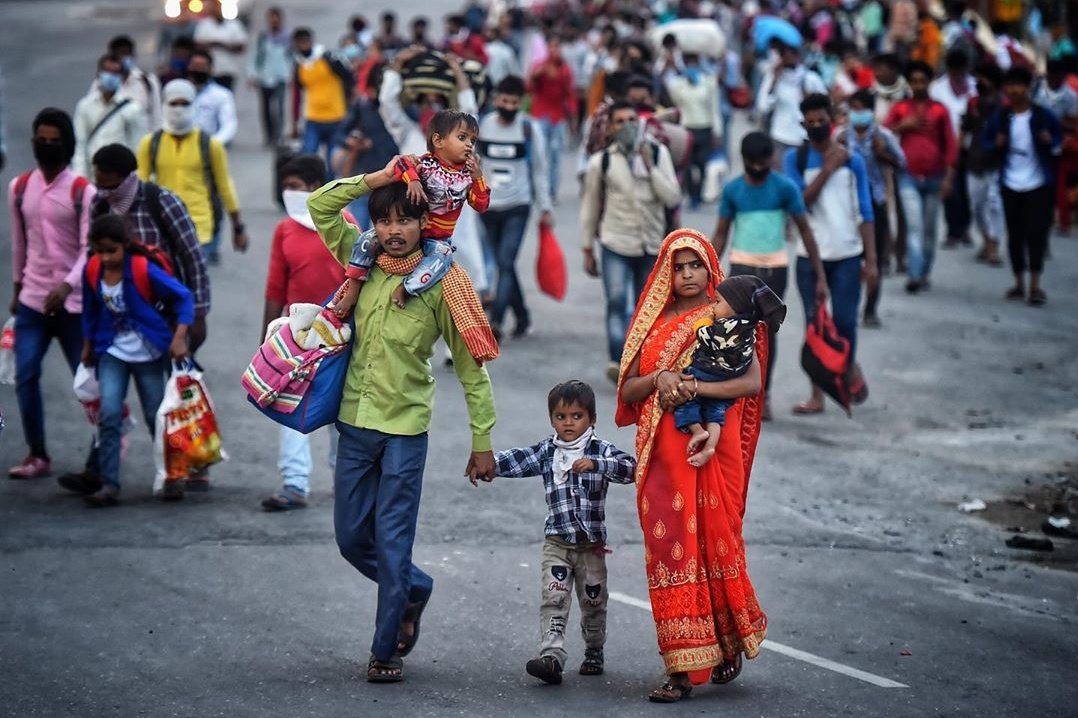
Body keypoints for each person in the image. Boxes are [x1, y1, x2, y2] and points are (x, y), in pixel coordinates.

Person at [307, 160, 498, 683]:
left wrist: (482, 440)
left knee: (392, 540)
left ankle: (384, 649)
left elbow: (471, 371)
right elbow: (319, 204)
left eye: (405, 222)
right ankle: (415, 588)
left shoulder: (445, 284)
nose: (394, 232)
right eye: (384, 222)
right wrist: (374, 178)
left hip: (406, 432)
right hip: (353, 423)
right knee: (351, 539)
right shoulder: (358, 258)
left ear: (424, 223)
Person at [615, 229, 767, 703]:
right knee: (672, 552)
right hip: (662, 459)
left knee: (715, 545)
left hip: (710, 455)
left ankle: (720, 647)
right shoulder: (650, 324)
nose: (686, 274)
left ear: (710, 270)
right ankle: (681, 661)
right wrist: (660, 378)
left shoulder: (727, 317)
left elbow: (752, 382)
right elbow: (628, 393)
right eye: (677, 266)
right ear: (664, 272)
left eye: (695, 265)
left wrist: (695, 389)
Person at [488, 380, 636, 684]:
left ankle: (594, 649)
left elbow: (631, 469)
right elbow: (519, 459)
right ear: (552, 419)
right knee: (554, 597)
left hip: (591, 547)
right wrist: (487, 463)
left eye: (577, 416)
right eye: (560, 416)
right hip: (557, 541)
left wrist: (597, 464)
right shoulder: (548, 452)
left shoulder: (600, 450)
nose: (568, 423)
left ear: (592, 418)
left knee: (594, 602)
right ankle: (551, 657)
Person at [78, 214, 193, 506]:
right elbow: (90, 309)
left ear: (125, 246)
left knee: (157, 416)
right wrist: (88, 344)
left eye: (111, 251)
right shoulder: (92, 270)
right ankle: (109, 483)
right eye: (99, 251)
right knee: (110, 413)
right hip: (111, 351)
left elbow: (183, 297)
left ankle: (172, 476)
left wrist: (180, 336)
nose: (105, 257)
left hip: (149, 353)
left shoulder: (142, 268)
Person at [712, 132, 827, 418]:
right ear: (744, 160)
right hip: (740, 269)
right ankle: (738, 396)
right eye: (753, 162)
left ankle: (764, 396)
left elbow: (805, 231)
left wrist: (820, 275)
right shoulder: (733, 190)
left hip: (773, 272)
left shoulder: (785, 188)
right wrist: (710, 271)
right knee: (736, 334)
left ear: (770, 160)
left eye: (763, 162)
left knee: (766, 336)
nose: (759, 168)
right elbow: (721, 233)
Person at [7, 108, 96, 479]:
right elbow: (19, 242)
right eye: (40, 140)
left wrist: (67, 285)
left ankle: (103, 448)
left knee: (87, 383)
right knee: (24, 376)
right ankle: (37, 453)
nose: (46, 146)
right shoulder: (20, 187)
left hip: (73, 305)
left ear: (67, 144)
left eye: (53, 141)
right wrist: (16, 288)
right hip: (31, 301)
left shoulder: (82, 191)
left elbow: (89, 248)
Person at [330, 110, 490, 316]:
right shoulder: (426, 163)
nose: (469, 144)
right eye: (462, 138)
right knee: (366, 241)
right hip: (409, 230)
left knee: (442, 259)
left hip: (438, 239)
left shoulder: (467, 177)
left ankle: (406, 288)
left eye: (472, 140)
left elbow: (481, 205)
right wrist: (413, 180)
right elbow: (401, 162)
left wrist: (478, 178)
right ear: (438, 141)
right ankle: (352, 290)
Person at [259, 155, 346, 510]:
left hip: (339, 336)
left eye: (294, 187)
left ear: (315, 188)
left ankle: (345, 482)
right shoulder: (284, 230)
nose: (287, 193)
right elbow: (274, 287)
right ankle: (294, 483)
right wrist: (265, 339)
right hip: (294, 336)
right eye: (285, 187)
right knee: (290, 407)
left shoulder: (344, 224)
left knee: (339, 413)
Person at [784, 94, 878, 415]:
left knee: (844, 321)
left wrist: (873, 260)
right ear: (803, 125)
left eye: (821, 120)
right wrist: (827, 169)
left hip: (848, 254)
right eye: (809, 123)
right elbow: (801, 202)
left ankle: (845, 373)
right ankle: (818, 394)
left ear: (832, 120)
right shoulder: (794, 160)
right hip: (809, 257)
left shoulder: (853, 161)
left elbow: (865, 211)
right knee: (815, 326)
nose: (816, 127)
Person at [580, 101, 681, 384]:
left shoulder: (658, 154)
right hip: (616, 242)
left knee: (645, 309)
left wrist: (650, 166)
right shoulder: (602, 161)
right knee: (616, 301)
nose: (626, 126)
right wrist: (588, 248)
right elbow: (589, 207)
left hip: (650, 245)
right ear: (611, 128)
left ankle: (641, 363)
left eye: (631, 119)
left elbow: (672, 197)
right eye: (620, 121)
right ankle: (619, 360)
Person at [675, 276, 785, 468]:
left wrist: (702, 324)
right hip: (727, 380)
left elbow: (706, 338)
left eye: (717, 302)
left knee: (686, 402)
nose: (713, 308)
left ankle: (697, 430)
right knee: (715, 415)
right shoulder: (749, 328)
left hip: (707, 374)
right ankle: (709, 447)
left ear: (736, 306)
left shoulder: (728, 327)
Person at [137, 79, 248, 265]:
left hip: (200, 225)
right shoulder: (150, 143)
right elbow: (139, 186)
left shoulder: (210, 145)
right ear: (164, 105)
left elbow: (225, 186)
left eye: (185, 103)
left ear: (193, 105)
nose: (179, 109)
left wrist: (238, 227)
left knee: (194, 283)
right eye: (173, 103)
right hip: (163, 225)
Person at [477, 75, 552, 340]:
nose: (507, 105)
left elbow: (541, 170)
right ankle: (522, 316)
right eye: (503, 100)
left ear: (520, 103)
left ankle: (496, 320)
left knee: (506, 261)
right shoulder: (484, 125)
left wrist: (545, 207)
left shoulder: (530, 129)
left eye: (513, 102)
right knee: (503, 264)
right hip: (488, 207)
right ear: (496, 99)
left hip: (518, 205)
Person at [983, 66, 1062, 306]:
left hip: (1038, 183)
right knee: (1015, 233)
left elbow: (1058, 139)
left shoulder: (1042, 115)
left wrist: (1050, 142)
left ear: (1028, 88)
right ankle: (1019, 282)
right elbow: (986, 141)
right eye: (1011, 85)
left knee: (1035, 233)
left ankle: (1035, 284)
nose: (1015, 90)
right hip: (1010, 182)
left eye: (1020, 85)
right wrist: (996, 144)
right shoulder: (1002, 116)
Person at [835, 90, 906, 327]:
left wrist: (882, 154)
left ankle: (871, 308)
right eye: (853, 108)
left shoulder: (883, 136)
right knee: (852, 259)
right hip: (847, 202)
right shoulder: (842, 136)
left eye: (861, 108)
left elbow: (902, 162)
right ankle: (850, 305)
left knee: (874, 257)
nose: (857, 113)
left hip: (875, 201)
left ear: (870, 111)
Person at [886, 61, 957, 294]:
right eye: (914, 81)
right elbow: (883, 134)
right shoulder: (900, 109)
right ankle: (914, 274)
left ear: (929, 82)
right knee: (914, 226)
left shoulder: (940, 110)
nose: (918, 85)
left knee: (929, 229)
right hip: (908, 175)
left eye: (922, 80)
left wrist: (948, 177)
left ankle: (924, 271)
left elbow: (950, 146)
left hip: (935, 177)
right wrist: (902, 126)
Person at [331, 63, 399, 230]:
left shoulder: (400, 110)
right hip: (363, 181)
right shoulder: (362, 107)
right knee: (358, 236)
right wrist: (352, 142)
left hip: (391, 186)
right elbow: (339, 134)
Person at [930, 48, 977, 249]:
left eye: (962, 70)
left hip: (970, 146)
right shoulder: (937, 89)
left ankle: (965, 227)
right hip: (946, 145)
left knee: (968, 189)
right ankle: (952, 230)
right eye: (955, 71)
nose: (959, 75)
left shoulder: (974, 87)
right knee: (951, 188)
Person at [73, 54, 147, 178]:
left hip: (121, 178)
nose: (110, 77)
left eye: (115, 73)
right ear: (98, 74)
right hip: (92, 177)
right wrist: (80, 177)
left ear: (122, 77)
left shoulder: (132, 109)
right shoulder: (85, 106)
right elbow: (80, 145)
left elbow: (138, 147)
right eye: (107, 71)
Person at [663, 53, 722, 210]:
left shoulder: (708, 82)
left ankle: (699, 193)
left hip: (704, 126)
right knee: (687, 165)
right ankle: (691, 194)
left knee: (702, 164)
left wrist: (717, 130)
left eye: (693, 63)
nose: (691, 67)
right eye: (688, 63)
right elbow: (672, 94)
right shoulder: (679, 84)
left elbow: (714, 108)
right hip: (686, 128)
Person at [755, 42, 827, 168]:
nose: (789, 57)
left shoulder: (811, 78)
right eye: (784, 54)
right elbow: (763, 106)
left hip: (806, 137)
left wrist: (809, 99)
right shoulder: (772, 77)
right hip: (781, 137)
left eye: (792, 53)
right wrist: (774, 81)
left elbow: (825, 105)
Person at [962, 63, 1005, 265]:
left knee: (994, 204)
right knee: (976, 205)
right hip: (975, 160)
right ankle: (986, 238)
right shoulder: (973, 103)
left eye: (983, 78)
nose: (979, 82)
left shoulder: (1004, 105)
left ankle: (994, 244)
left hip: (997, 162)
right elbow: (965, 129)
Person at [291, 28, 350, 170]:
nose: (303, 46)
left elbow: (349, 80)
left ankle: (329, 189)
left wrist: (351, 111)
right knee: (308, 157)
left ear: (311, 41)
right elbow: (296, 95)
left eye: (305, 42)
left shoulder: (329, 59)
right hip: (313, 117)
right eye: (299, 43)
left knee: (332, 163)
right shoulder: (299, 65)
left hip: (335, 116)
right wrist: (294, 121)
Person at [528, 35, 579, 203]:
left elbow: (570, 94)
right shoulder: (539, 67)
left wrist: (573, 117)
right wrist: (537, 75)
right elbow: (529, 87)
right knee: (538, 153)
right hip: (540, 114)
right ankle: (536, 188)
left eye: (557, 47)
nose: (555, 50)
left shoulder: (564, 70)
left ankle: (551, 191)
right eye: (552, 47)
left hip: (557, 117)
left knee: (555, 155)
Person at [1035, 59, 1078, 232]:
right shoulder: (1038, 89)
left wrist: (1055, 127)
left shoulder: (1071, 96)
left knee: (1056, 181)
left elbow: (1071, 124)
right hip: (1037, 139)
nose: (1054, 80)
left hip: (1059, 144)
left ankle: (1059, 216)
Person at [248, 6, 293, 147]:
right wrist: (252, 74)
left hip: (281, 76)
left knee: (279, 108)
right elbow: (254, 56)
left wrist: (291, 75)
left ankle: (278, 136)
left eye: (276, 19)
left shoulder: (287, 38)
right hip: (265, 77)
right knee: (266, 109)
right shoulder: (263, 38)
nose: (274, 22)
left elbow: (291, 58)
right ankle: (269, 136)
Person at [105, 35, 162, 131]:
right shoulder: (104, 83)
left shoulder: (148, 81)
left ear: (134, 55)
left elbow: (157, 114)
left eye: (127, 54)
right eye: (120, 54)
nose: (124, 58)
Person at [186, 50, 238, 146]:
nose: (197, 71)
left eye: (201, 67)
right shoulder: (178, 91)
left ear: (210, 69)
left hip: (207, 146)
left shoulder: (222, 95)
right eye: (194, 67)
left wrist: (214, 143)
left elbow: (229, 124)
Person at [193, 0, 248, 90]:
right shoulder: (204, 25)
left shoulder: (234, 25)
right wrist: (212, 44)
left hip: (228, 69)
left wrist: (224, 45)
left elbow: (241, 46)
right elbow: (197, 44)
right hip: (208, 70)